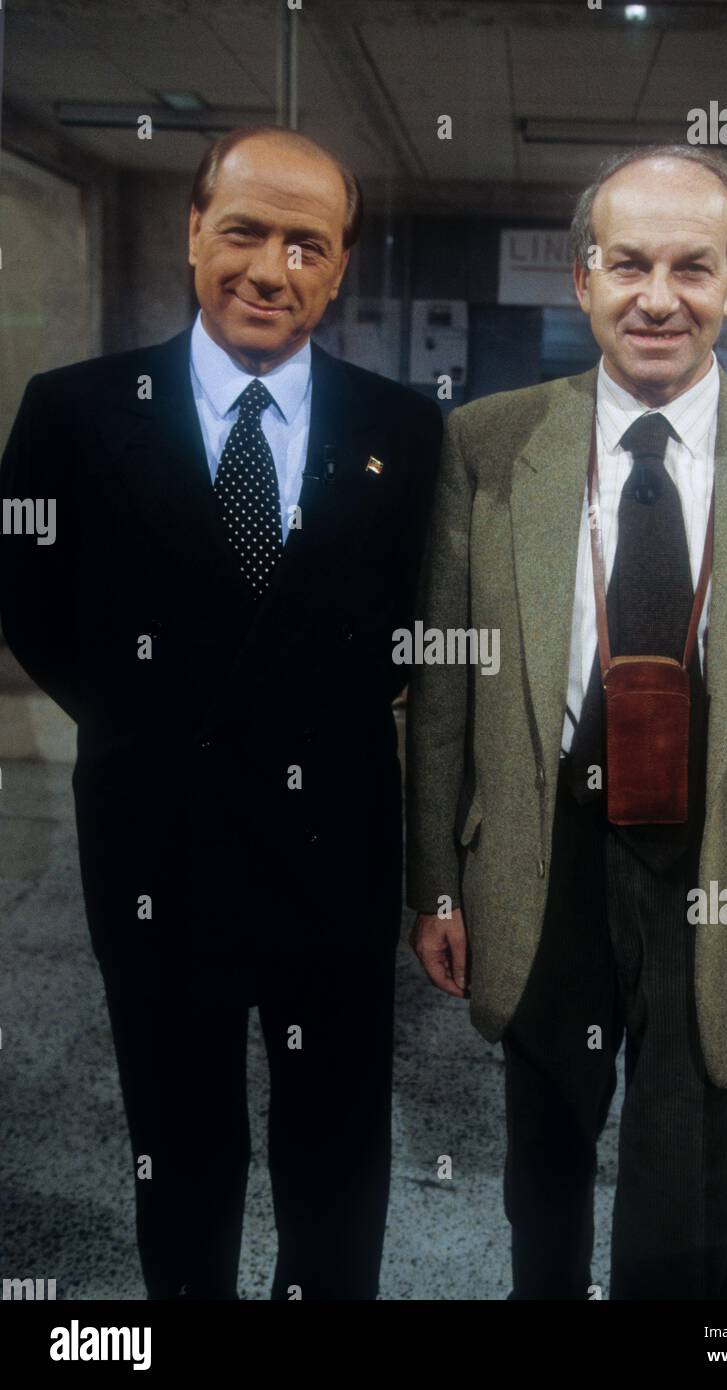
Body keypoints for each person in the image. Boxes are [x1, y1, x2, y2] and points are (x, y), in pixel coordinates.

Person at [406, 145, 727, 1300]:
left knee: (694, 1199)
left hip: (722, 879)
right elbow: (447, 694)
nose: (657, 297)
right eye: (628, 264)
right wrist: (435, 884)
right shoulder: (489, 442)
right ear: (582, 279)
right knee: (544, 1181)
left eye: (691, 266)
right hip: (540, 862)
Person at [0, 125, 442, 1300]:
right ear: (192, 232)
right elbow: (29, 604)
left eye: (309, 243)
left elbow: (411, 626)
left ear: (339, 268)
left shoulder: (404, 431)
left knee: (338, 1147)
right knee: (180, 1143)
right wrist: (150, 720)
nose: (270, 267)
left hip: (333, 846)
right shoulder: (75, 412)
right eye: (244, 229)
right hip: (155, 845)